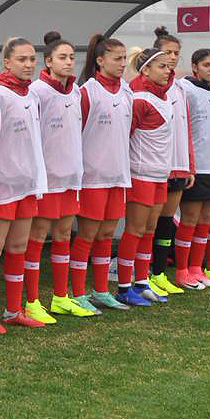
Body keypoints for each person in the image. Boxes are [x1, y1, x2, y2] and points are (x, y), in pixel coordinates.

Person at [0, 37, 51, 332]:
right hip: (1, 186)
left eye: (32, 59)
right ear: (7, 62)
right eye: (22, 59)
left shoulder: (32, 95)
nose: (29, 64)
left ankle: (13, 310)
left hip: (26, 185)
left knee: (18, 248)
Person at [27, 32, 96, 318]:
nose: (68, 63)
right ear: (48, 61)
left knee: (64, 235)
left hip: (70, 178)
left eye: (71, 58)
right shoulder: (37, 91)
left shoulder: (77, 91)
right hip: (46, 180)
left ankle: (60, 296)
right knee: (37, 237)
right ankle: (31, 302)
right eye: (62, 58)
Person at [71, 34, 133, 311]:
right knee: (87, 236)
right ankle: (76, 292)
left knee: (107, 235)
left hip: (117, 175)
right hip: (92, 177)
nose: (122, 64)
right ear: (100, 60)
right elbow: (75, 134)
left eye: (124, 59)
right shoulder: (88, 91)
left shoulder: (127, 91)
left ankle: (100, 290)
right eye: (117, 59)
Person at [117, 45, 182, 307]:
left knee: (150, 230)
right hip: (140, 174)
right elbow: (126, 138)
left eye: (169, 66)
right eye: (162, 66)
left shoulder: (165, 97)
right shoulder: (139, 98)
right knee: (135, 230)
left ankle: (142, 282)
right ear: (145, 69)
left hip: (159, 174)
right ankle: (124, 287)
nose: (168, 71)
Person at [172, 49, 210, 289]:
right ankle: (181, 270)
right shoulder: (185, 90)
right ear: (194, 67)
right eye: (205, 64)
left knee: (206, 219)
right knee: (190, 219)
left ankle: (198, 268)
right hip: (198, 166)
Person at [145, 28, 190, 298]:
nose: (172, 58)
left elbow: (184, 129)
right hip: (154, 167)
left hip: (177, 164)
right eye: (167, 53)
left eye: (176, 54)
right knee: (148, 223)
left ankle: (160, 271)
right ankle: (145, 273)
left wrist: (188, 164)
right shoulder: (143, 89)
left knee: (166, 222)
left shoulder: (180, 87)